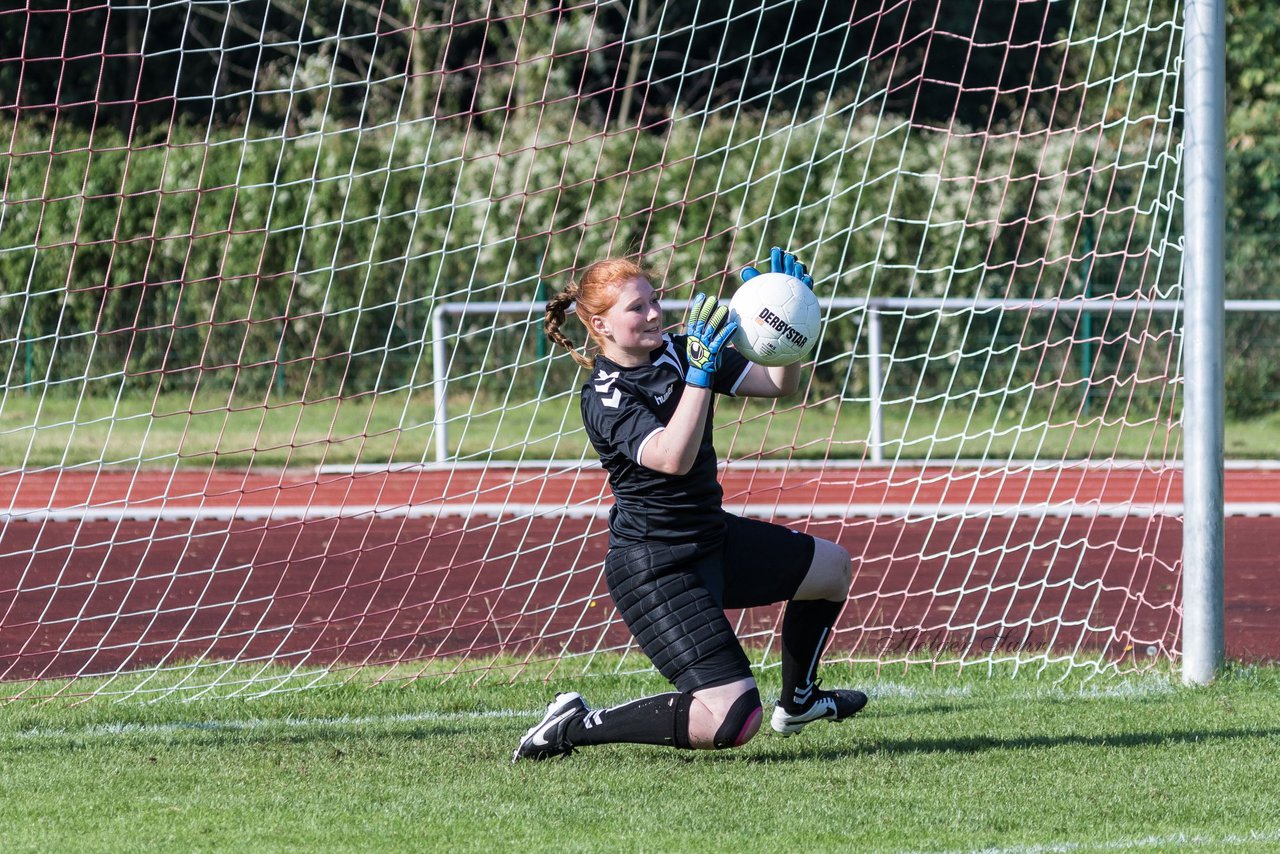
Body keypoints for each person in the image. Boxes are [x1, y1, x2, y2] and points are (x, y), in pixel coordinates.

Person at [513, 248, 866, 761]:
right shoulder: (605, 394)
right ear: (600, 324)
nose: (655, 313)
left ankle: (801, 701)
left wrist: (793, 329)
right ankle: (572, 725)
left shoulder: (682, 349)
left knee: (832, 568)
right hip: (656, 567)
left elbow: (774, 384)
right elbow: (672, 457)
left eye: (654, 300)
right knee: (732, 718)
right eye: (637, 308)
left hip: (712, 538)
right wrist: (700, 375)